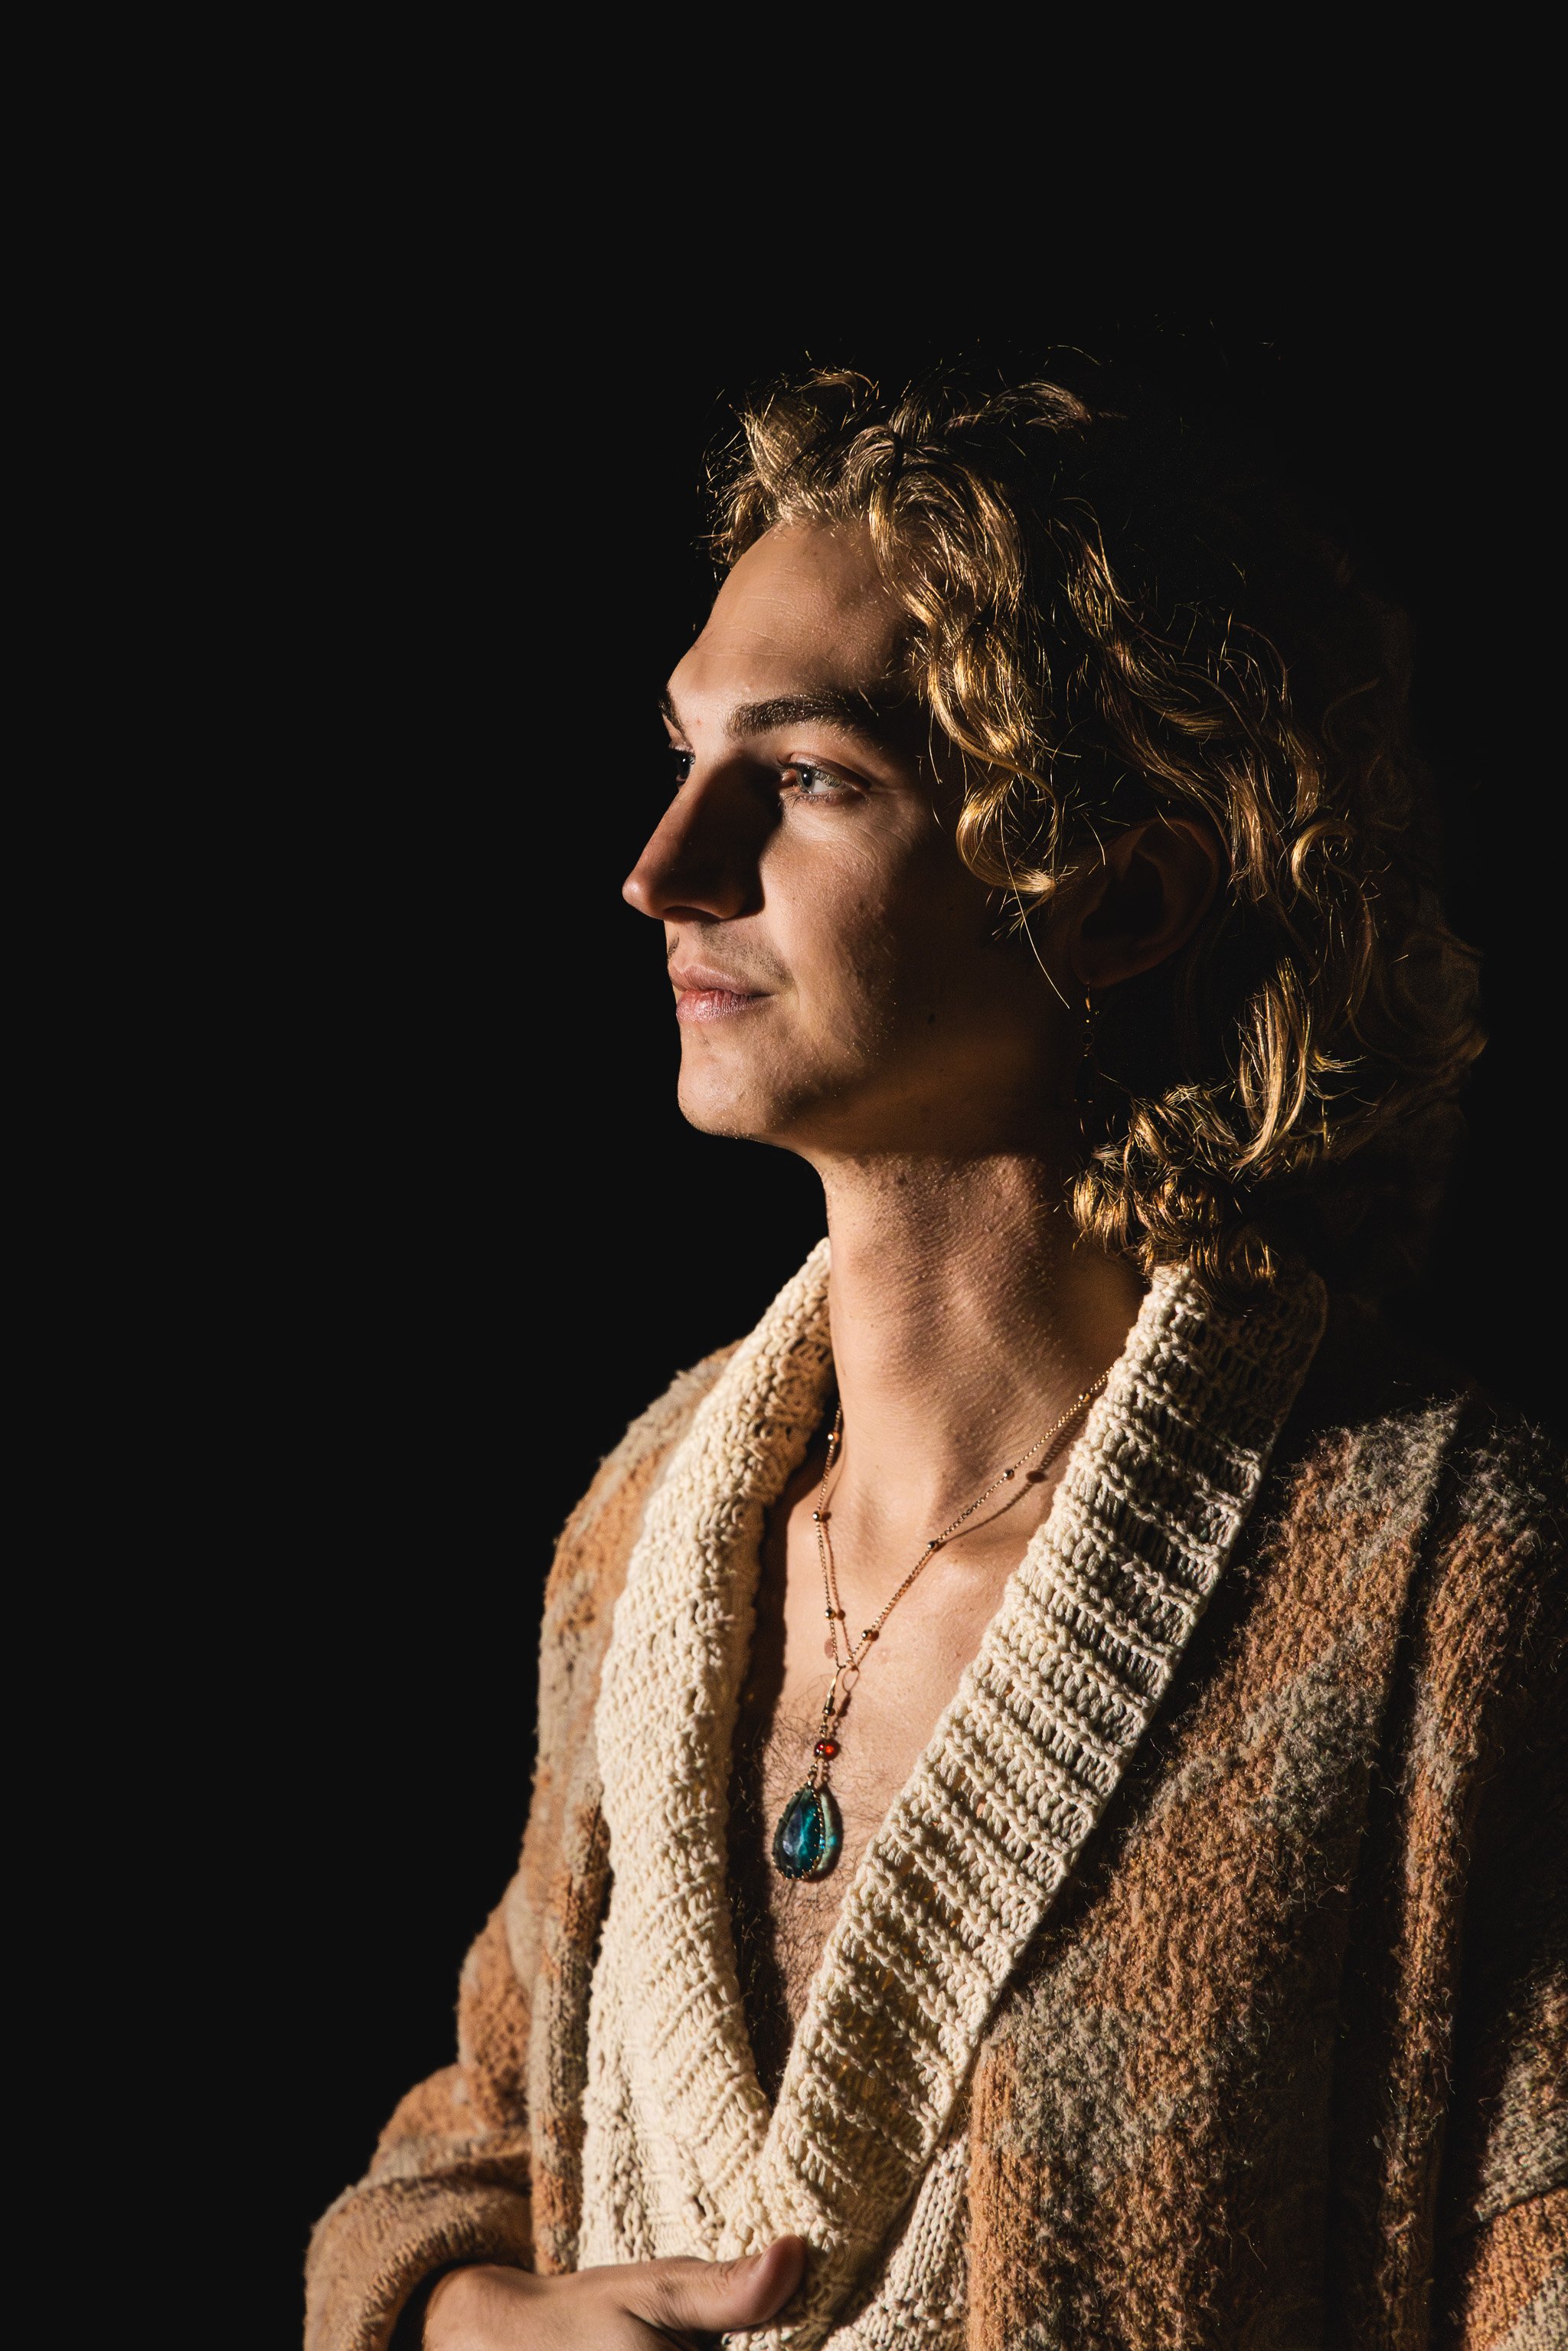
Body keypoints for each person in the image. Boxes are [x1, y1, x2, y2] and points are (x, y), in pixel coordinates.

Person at [306, 369, 1564, 2349]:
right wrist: (464, 2316)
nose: (667, 867)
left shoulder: (1438, 1583)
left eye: (809, 776)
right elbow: (482, 2138)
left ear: (1120, 892)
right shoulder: (651, 1527)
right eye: (685, 753)